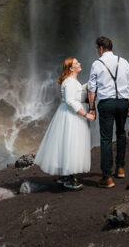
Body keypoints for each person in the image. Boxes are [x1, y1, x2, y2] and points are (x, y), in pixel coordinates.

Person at [34, 57, 96, 190]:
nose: (79, 64)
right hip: (71, 117)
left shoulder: (72, 81)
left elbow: (76, 97)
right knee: (71, 144)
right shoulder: (69, 82)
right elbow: (70, 101)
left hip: (70, 115)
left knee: (67, 144)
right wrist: (85, 114)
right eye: (76, 63)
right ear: (71, 68)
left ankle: (64, 176)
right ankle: (68, 178)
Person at [87, 35, 129, 188]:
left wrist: (91, 108)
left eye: (97, 48)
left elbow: (91, 89)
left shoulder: (97, 64)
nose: (97, 51)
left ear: (101, 48)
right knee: (121, 133)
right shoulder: (124, 62)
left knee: (106, 139)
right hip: (123, 102)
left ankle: (107, 177)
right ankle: (120, 168)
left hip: (106, 104)